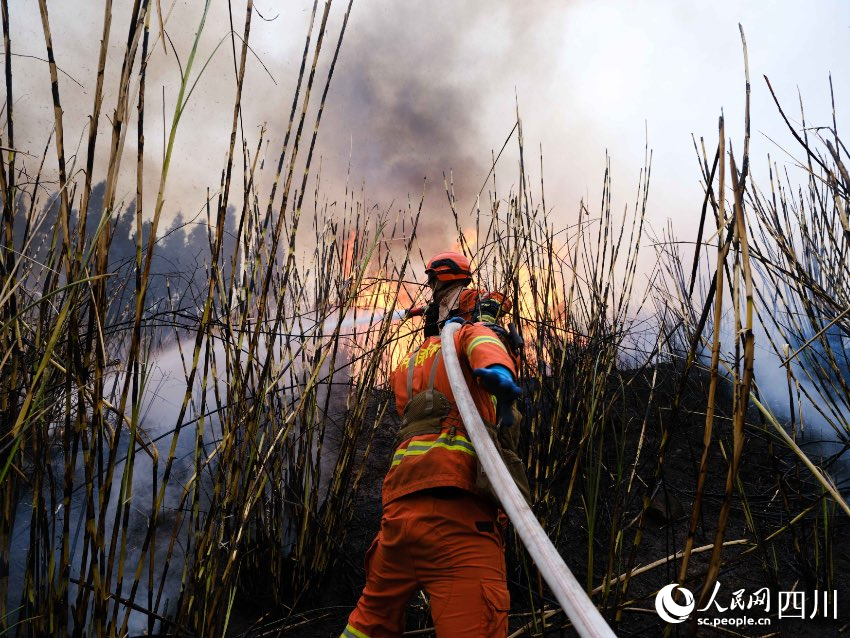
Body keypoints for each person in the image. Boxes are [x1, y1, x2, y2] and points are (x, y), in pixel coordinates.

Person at [340, 251, 526, 638]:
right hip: (456, 521)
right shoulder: (467, 337)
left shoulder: (408, 367)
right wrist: (495, 357)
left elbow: (440, 390)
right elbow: (485, 352)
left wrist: (474, 318)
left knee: (368, 623)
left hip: (397, 523)